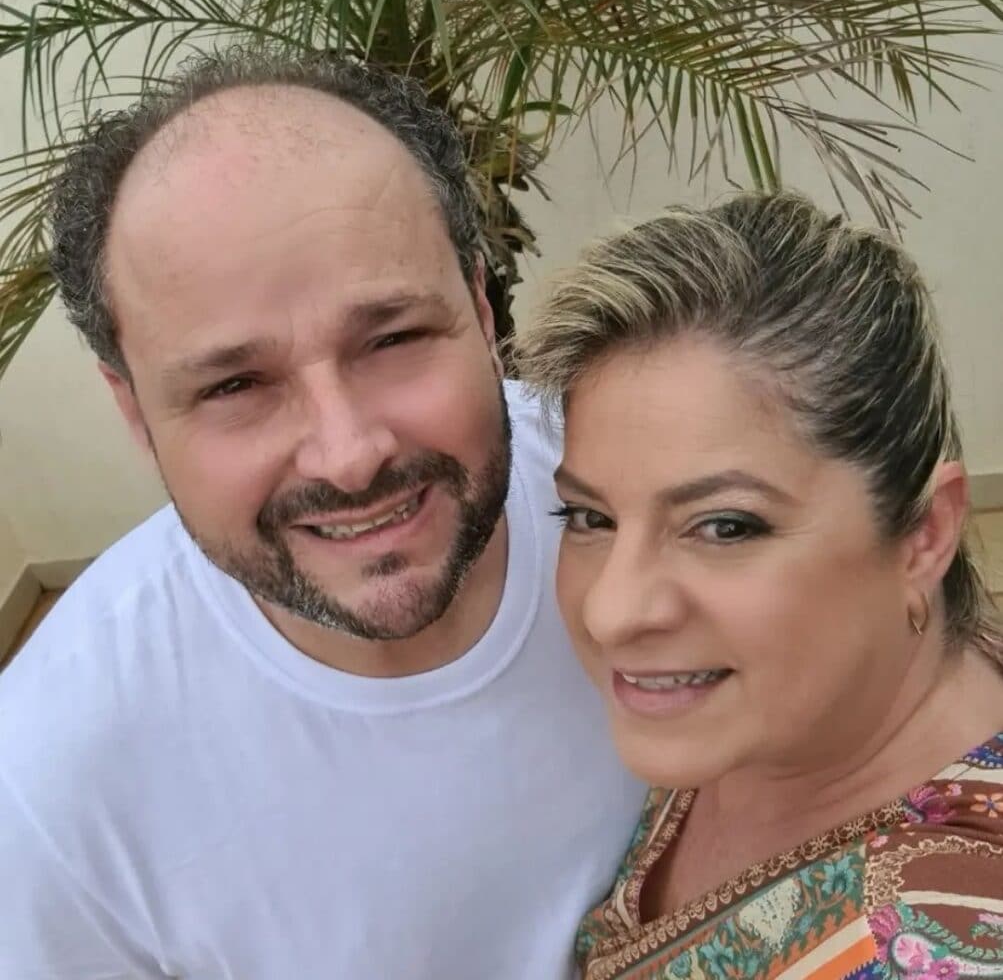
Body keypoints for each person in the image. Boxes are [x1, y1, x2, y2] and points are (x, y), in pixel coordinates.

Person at [0, 49, 646, 978]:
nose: (349, 455)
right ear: (133, 411)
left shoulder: (649, 494)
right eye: (234, 385)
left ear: (479, 308)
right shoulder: (48, 796)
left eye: (393, 338)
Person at [515, 191, 1003, 980]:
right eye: (588, 516)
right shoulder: (795, 706)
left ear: (924, 534)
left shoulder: (929, 945)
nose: (611, 611)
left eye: (725, 527)